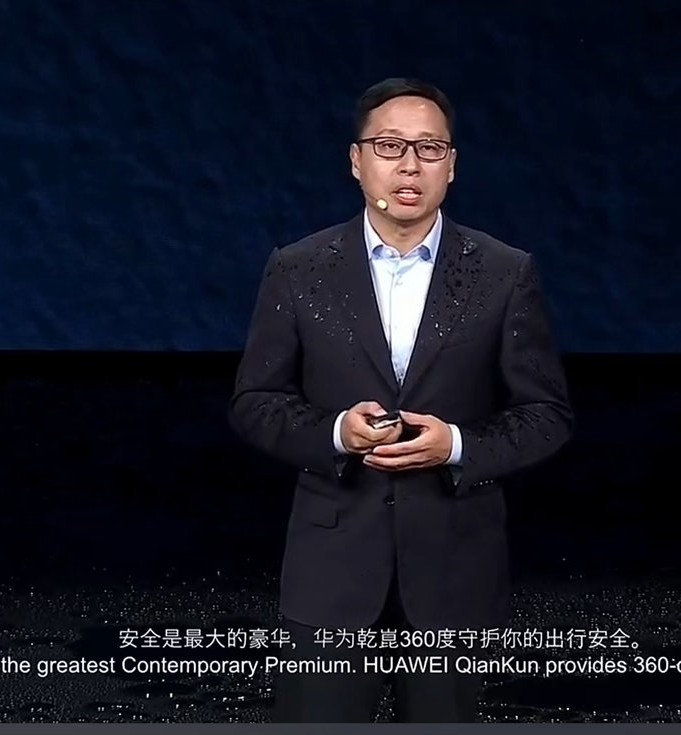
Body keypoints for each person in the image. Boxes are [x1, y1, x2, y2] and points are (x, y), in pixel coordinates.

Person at [227, 77, 574, 722]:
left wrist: (457, 445)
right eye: (389, 146)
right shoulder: (299, 268)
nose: (409, 165)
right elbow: (255, 400)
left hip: (455, 572)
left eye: (429, 148)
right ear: (356, 161)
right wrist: (336, 433)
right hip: (331, 572)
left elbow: (546, 415)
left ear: (452, 165)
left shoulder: (504, 272)